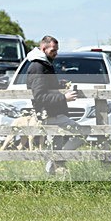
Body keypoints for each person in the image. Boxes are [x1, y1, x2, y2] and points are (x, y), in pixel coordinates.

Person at [26, 35, 87, 175]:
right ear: (43, 48)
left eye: (57, 50)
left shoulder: (44, 64)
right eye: (53, 50)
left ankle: (51, 171)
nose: (56, 53)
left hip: (52, 112)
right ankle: (58, 160)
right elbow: (40, 96)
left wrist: (59, 85)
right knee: (83, 132)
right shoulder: (38, 67)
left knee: (55, 146)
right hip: (49, 114)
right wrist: (64, 98)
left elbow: (45, 87)